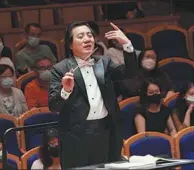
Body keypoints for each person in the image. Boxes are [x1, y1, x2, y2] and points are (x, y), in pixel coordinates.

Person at [48, 21, 136, 169]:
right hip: (76, 136)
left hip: (105, 132)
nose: (87, 39)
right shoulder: (60, 69)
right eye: (80, 36)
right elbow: (53, 106)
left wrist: (127, 44)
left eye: (90, 35)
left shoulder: (104, 63)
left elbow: (130, 73)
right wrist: (66, 91)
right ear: (70, 45)